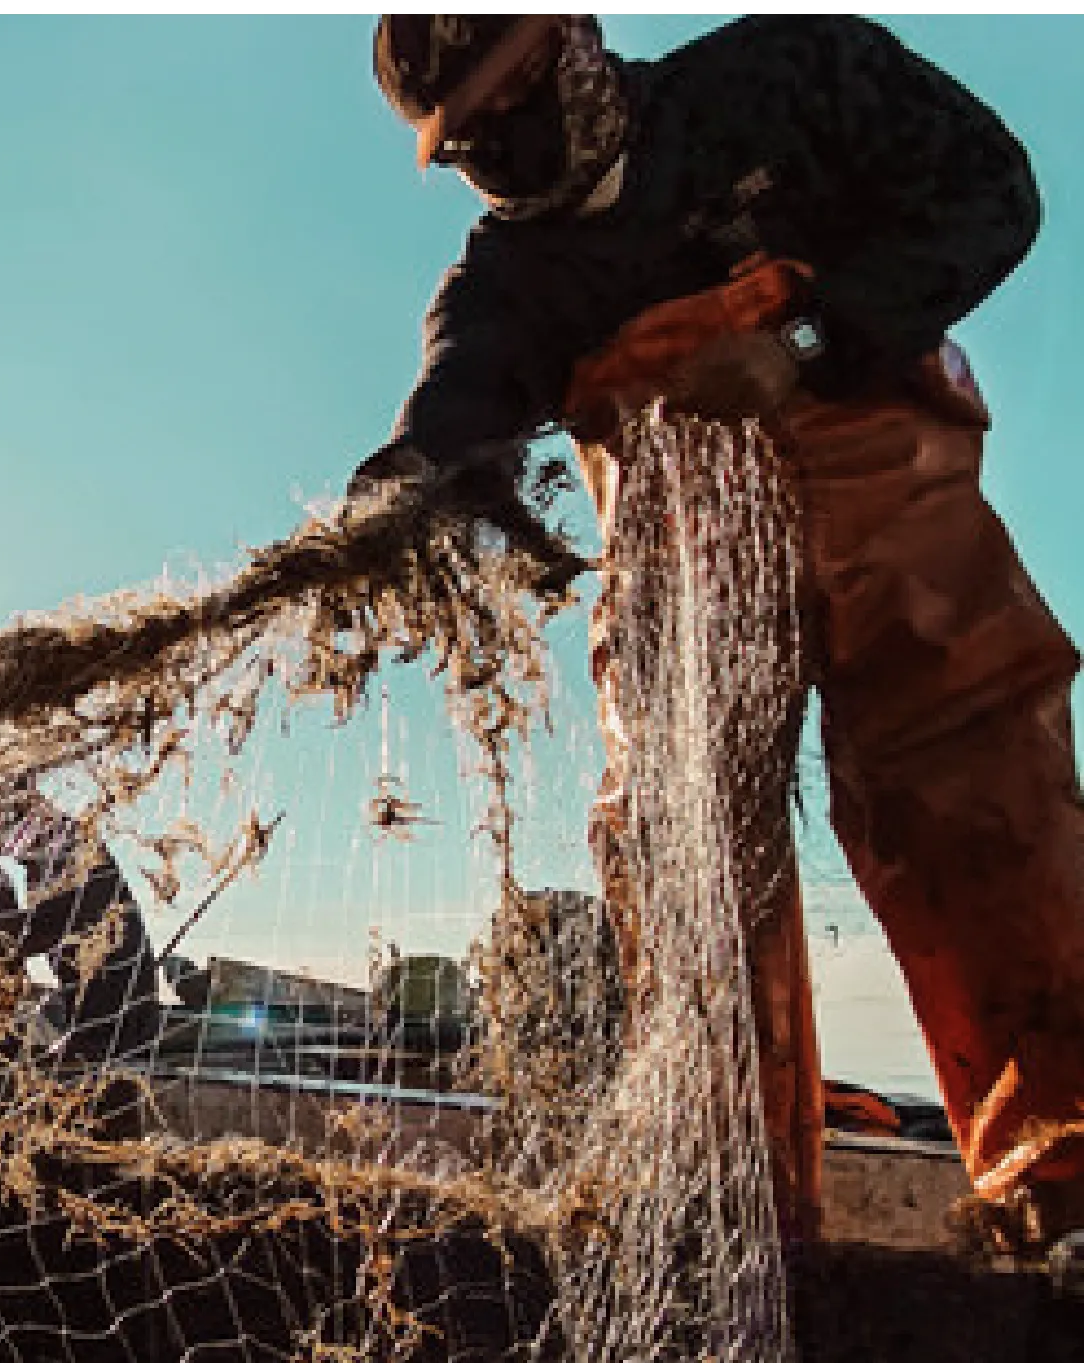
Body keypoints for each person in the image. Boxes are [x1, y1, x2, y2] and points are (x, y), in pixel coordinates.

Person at [355, 10, 1084, 1253]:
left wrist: (803, 344)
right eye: (475, 135)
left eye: (525, 86)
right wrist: (393, 500)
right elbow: (456, 408)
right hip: (684, 567)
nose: (515, 136)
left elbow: (987, 190)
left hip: (886, 498)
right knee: (682, 837)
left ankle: (1061, 1175)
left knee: (976, 804)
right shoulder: (506, 282)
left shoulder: (788, 71)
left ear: (578, 33)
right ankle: (731, 1217)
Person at [0, 793, 169, 1065]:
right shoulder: (55, 866)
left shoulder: (77, 866)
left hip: (117, 1038)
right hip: (94, 1028)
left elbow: (15, 940)